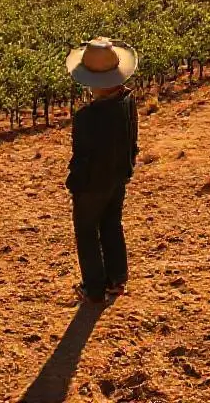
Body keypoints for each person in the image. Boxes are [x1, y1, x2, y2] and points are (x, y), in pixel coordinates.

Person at [64, 37, 140, 305]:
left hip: (92, 184)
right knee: (111, 223)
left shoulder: (87, 117)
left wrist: (75, 184)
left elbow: (82, 157)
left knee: (86, 231)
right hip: (119, 176)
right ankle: (117, 279)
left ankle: (93, 288)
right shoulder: (128, 101)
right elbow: (132, 140)